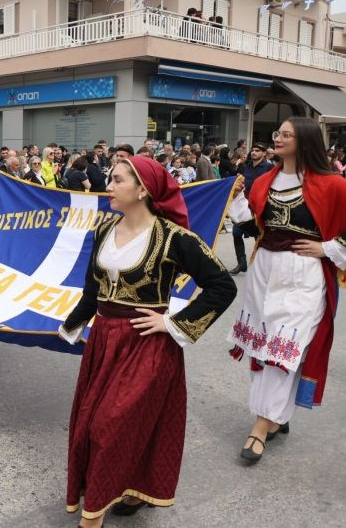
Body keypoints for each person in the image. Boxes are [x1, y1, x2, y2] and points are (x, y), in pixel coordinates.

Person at [60, 156, 236, 527]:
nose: (109, 186)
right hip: (105, 342)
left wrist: (173, 323)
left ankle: (93, 516)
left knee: (109, 426)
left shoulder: (174, 238)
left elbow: (222, 285)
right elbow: (93, 290)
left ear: (142, 190)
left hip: (147, 344)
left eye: (117, 180)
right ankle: (128, 487)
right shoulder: (104, 230)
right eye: (110, 179)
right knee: (93, 423)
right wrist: (71, 325)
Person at [226, 117, 346, 463]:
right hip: (264, 271)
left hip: (304, 276)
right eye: (278, 133)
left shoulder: (333, 184)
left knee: (285, 348)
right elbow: (251, 225)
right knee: (266, 347)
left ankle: (261, 425)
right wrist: (237, 198)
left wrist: (326, 248)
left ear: (304, 140)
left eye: (286, 135)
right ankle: (276, 416)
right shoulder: (265, 180)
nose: (277, 138)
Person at [229, 142, 274, 274]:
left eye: (257, 150)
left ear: (264, 153)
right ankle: (241, 263)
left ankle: (260, 265)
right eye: (253, 150)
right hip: (244, 205)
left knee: (258, 236)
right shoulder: (245, 167)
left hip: (260, 206)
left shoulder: (269, 167)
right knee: (236, 232)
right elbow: (238, 181)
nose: (254, 152)